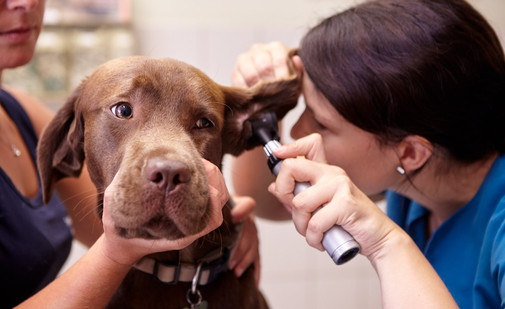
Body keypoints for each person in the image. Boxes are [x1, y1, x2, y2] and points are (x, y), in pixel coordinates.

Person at [231, 0, 505, 307]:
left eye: (321, 123)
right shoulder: (415, 186)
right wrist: (264, 106)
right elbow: (265, 200)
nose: (295, 132)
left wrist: (387, 244)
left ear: (412, 153)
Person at [0, 0, 258, 307]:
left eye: (202, 123)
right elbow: (115, 240)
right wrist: (111, 254)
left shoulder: (21, 114)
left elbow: (118, 217)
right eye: (123, 111)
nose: (25, 2)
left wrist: (223, 228)